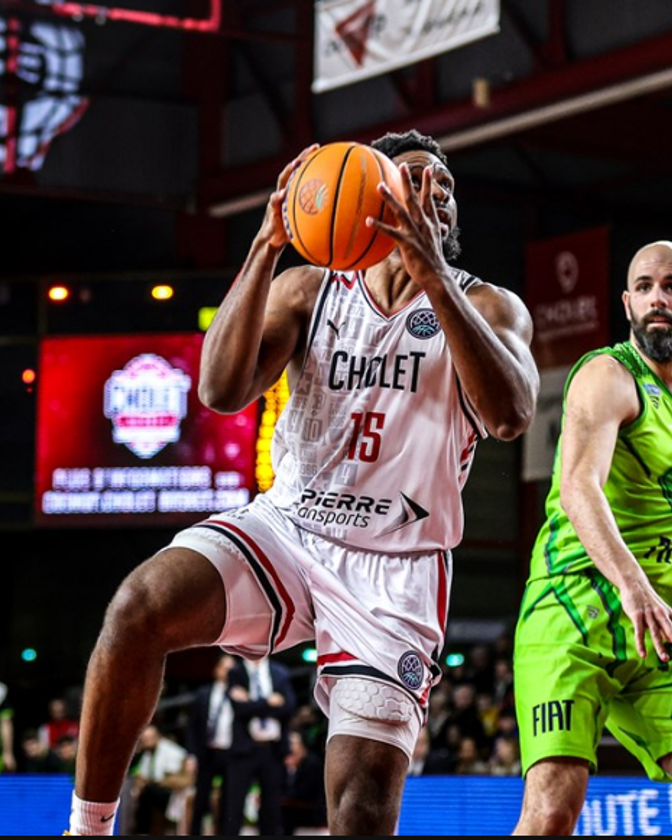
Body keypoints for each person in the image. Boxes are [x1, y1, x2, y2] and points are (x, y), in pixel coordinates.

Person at [67, 129, 538, 837]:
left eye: (445, 190)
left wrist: (434, 277)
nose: (434, 195)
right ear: (371, 195)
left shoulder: (490, 307)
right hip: (288, 529)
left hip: (396, 566)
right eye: (415, 180)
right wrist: (264, 248)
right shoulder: (311, 289)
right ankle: (86, 829)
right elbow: (221, 390)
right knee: (139, 607)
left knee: (361, 803)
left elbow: (511, 416)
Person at [512, 241, 672, 835]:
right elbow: (580, 487)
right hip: (570, 613)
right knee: (551, 812)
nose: (659, 296)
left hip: (653, 634)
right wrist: (633, 586)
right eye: (646, 286)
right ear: (628, 302)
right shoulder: (607, 375)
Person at [220, 656, 295, 837]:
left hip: (272, 750)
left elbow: (289, 707)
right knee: (234, 806)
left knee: (271, 807)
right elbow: (239, 710)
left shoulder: (280, 672)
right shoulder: (236, 672)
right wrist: (269, 702)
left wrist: (252, 703)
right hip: (244, 750)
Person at [184, 654, 235, 836]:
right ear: (216, 670)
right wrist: (191, 754)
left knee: (228, 800)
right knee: (201, 799)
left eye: (232, 669)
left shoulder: (240, 693)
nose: (228, 672)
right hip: (207, 752)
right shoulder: (203, 694)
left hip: (230, 753)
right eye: (224, 667)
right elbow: (192, 726)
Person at [130, 724, 194, 837]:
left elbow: (179, 778)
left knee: (147, 794)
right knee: (144, 794)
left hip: (176, 793)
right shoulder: (149, 753)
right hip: (159, 791)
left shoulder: (171, 751)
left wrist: (156, 782)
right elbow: (142, 775)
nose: (146, 743)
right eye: (144, 740)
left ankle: (142, 831)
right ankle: (142, 829)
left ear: (157, 736)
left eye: (148, 739)